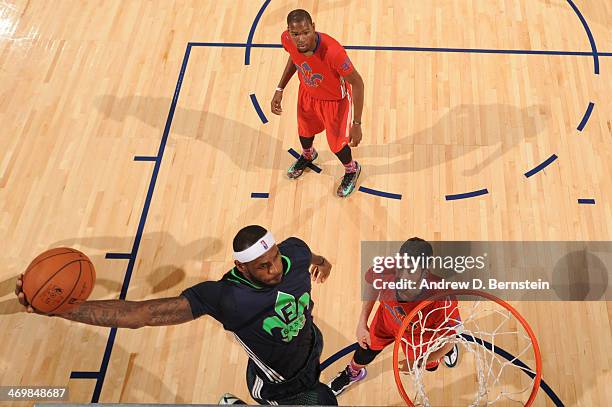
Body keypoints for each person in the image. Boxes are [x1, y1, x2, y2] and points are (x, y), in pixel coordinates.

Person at [15, 225, 337, 405]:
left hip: (310, 347)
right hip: (278, 385)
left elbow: (308, 254)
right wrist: (61, 309)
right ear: (241, 267)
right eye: (263, 267)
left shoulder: (293, 251)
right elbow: (139, 314)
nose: (274, 270)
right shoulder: (225, 298)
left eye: (275, 259)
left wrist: (322, 263)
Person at [328, 238, 461, 396]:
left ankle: (442, 355)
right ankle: (353, 373)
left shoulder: (442, 297)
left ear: (424, 272)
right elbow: (372, 283)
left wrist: (417, 363)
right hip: (386, 322)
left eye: (410, 270)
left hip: (419, 337)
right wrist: (362, 321)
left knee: (431, 365)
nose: (402, 276)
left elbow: (451, 340)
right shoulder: (385, 268)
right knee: (365, 350)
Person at [271, 9, 365, 198]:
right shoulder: (287, 40)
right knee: (304, 132)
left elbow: (358, 83)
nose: (301, 39)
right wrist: (280, 89)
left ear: (313, 28)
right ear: (288, 32)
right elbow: (294, 57)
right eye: (295, 34)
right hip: (308, 94)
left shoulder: (334, 52)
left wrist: (357, 123)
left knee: (337, 145)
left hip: (334, 102)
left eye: (306, 32)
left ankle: (351, 169)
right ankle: (308, 155)